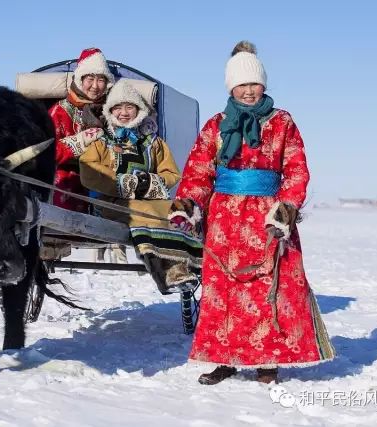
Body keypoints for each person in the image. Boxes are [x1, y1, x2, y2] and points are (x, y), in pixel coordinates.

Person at [170, 41, 335, 385]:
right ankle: (223, 359)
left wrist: (287, 207)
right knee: (223, 290)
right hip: (224, 218)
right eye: (241, 85)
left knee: (265, 287)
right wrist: (188, 204)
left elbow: (296, 168)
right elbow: (200, 171)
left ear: (264, 85)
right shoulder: (216, 125)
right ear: (231, 87)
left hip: (267, 217)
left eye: (253, 84)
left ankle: (267, 361)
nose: (248, 91)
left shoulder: (282, 122)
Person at [80, 79, 202, 294]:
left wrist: (152, 182)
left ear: (138, 110)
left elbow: (171, 173)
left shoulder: (153, 143)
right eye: (118, 107)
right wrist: (124, 183)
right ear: (110, 111)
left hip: (150, 199)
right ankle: (169, 271)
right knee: (145, 211)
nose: (124, 112)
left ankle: (194, 263)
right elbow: (89, 172)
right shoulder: (101, 142)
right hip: (112, 203)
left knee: (183, 208)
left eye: (129, 107)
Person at [49, 47, 114, 213]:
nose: (94, 86)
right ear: (80, 79)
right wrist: (79, 143)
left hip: (105, 185)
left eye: (101, 80)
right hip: (68, 187)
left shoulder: (112, 111)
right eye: (90, 79)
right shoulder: (59, 111)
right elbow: (48, 152)